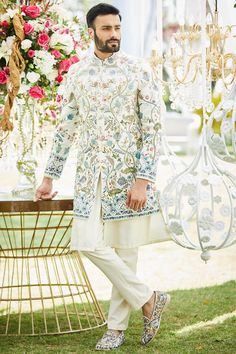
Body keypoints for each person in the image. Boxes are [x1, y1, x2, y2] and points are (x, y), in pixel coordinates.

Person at [35, 3, 170, 351]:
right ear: (91, 32)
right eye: (107, 29)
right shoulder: (78, 73)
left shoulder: (139, 71)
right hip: (88, 177)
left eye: (117, 28)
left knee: (126, 254)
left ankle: (115, 329)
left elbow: (152, 129)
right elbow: (66, 129)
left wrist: (143, 179)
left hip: (127, 177)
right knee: (86, 242)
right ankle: (149, 299)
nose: (114, 35)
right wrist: (50, 176)